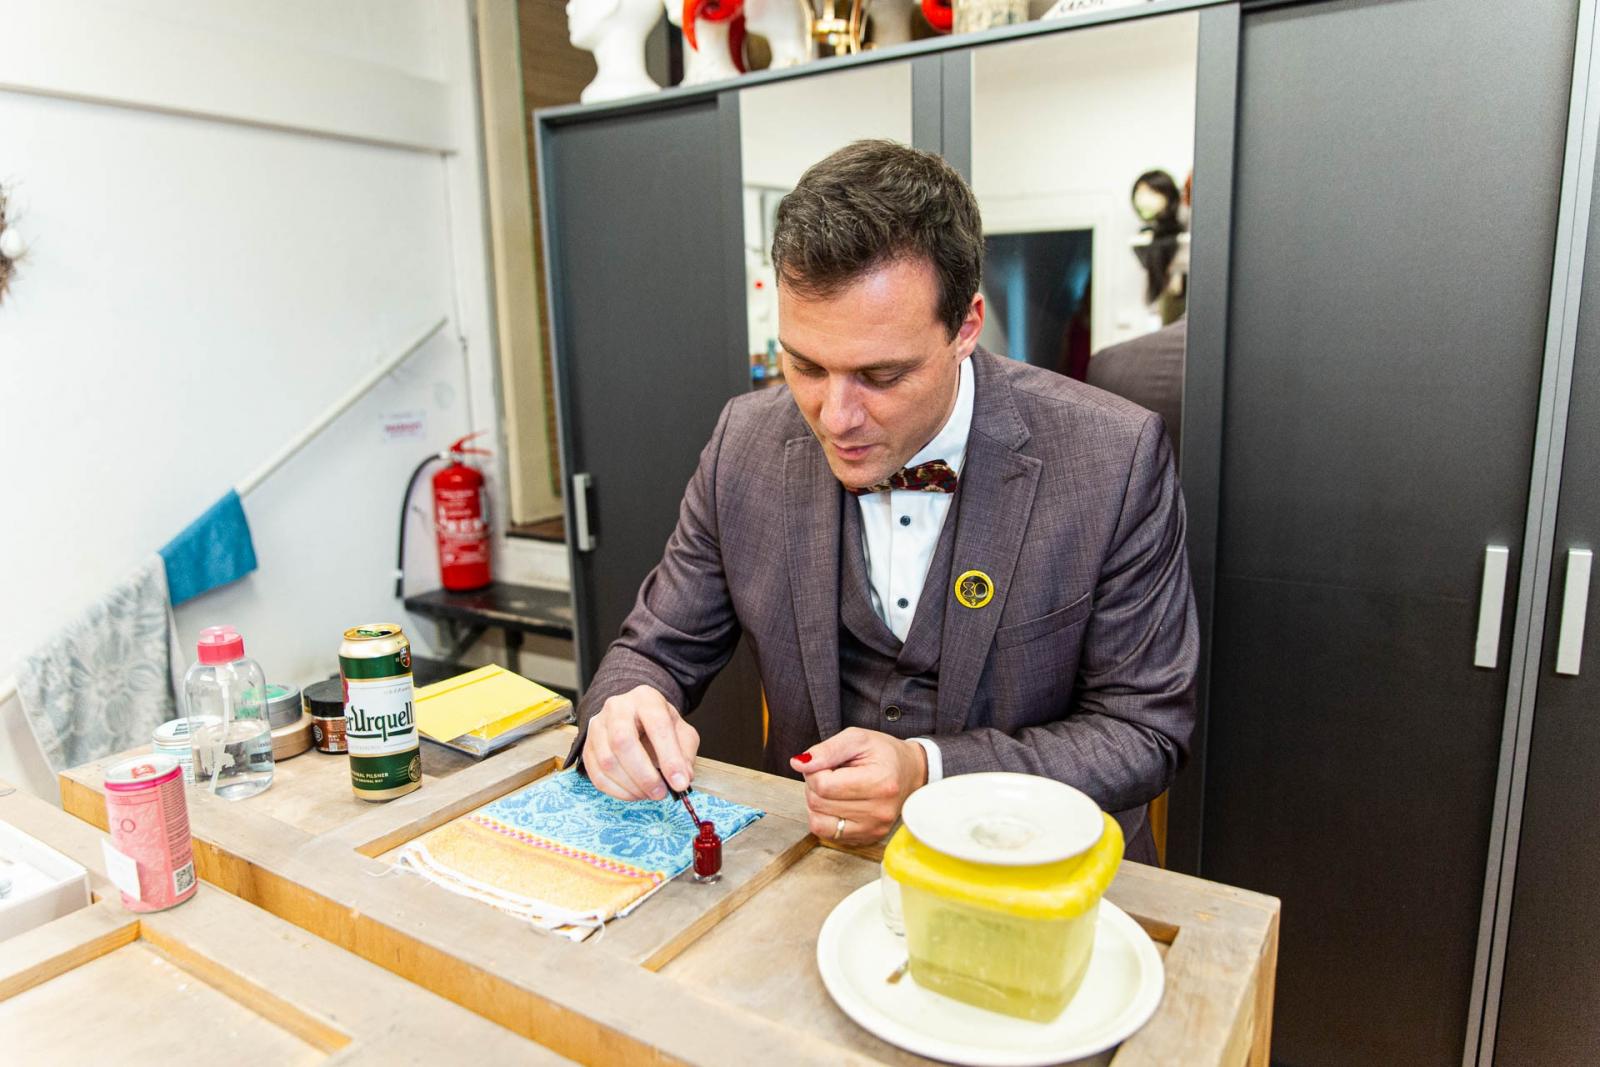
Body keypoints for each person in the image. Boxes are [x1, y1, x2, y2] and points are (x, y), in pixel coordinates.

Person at [570, 140, 1197, 863]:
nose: (835, 417)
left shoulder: (1112, 459)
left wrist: (931, 772)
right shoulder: (744, 444)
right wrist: (624, 710)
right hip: (815, 871)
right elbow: (652, 650)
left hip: (1037, 879)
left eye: (882, 375)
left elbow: (1143, 731)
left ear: (966, 326)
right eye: (806, 365)